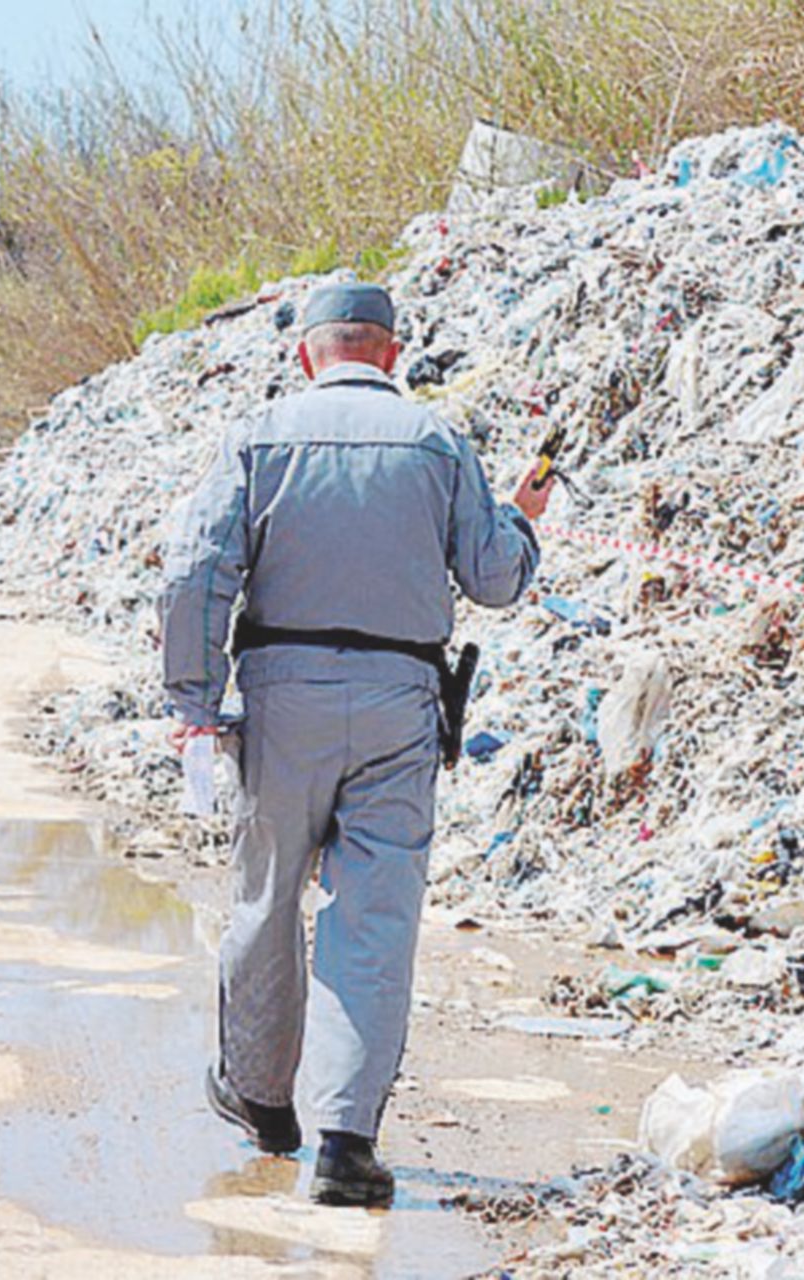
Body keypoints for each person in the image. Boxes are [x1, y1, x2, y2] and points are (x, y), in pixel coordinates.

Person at [160, 281, 552, 1205]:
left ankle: (261, 1100)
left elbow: (194, 570)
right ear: (391, 353)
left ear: (308, 354)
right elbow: (494, 582)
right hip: (400, 706)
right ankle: (346, 1141)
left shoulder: (256, 438)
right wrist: (526, 518)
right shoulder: (437, 442)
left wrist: (194, 699)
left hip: (282, 697)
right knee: (371, 918)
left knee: (265, 898)